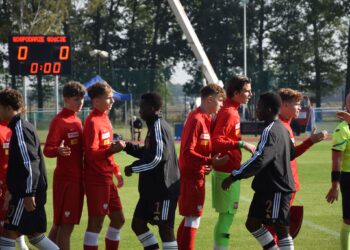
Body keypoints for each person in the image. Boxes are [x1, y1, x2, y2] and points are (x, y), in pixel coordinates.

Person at [222, 92, 296, 250]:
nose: (256, 110)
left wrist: (234, 176)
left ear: (269, 109)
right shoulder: (281, 128)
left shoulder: (271, 130)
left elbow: (259, 159)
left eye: (259, 107)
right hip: (266, 188)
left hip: (277, 188)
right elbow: (292, 152)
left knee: (280, 228)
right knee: (252, 223)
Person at [0, 88, 59, 249]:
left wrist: (29, 193)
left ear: (8, 108)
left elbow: (30, 162)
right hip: (27, 192)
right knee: (34, 236)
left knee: (8, 234)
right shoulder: (23, 126)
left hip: (25, 194)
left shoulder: (20, 128)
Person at [121, 92, 180, 250]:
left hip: (164, 190)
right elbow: (148, 152)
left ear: (153, 108)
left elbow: (158, 158)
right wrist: (127, 147)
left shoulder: (159, 126)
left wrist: (133, 167)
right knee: (138, 225)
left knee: (165, 229)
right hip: (150, 191)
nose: (139, 111)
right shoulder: (153, 126)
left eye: (142, 107)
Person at [177, 84, 229, 250]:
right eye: (220, 101)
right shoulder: (196, 119)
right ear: (209, 99)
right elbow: (187, 153)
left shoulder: (205, 118)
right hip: (190, 178)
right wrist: (210, 161)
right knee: (193, 219)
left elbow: (199, 152)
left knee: (189, 218)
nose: (221, 105)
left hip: (196, 176)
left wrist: (207, 164)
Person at [211, 75, 256, 250]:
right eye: (246, 91)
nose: (250, 94)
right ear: (235, 92)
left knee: (226, 217)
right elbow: (216, 141)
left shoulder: (231, 109)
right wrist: (241, 144)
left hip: (228, 169)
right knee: (227, 217)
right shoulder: (229, 112)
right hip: (226, 171)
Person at [275, 88, 327, 238]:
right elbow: (289, 156)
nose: (300, 107)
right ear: (284, 105)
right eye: (296, 104)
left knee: (280, 227)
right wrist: (310, 141)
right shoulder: (280, 127)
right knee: (278, 227)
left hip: (288, 184)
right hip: (283, 185)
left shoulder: (286, 125)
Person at [43, 81, 86, 250]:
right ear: (66, 99)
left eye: (82, 99)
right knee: (65, 226)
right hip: (67, 180)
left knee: (59, 225)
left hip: (76, 178)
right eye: (76, 99)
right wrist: (58, 151)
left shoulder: (76, 120)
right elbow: (47, 150)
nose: (80, 102)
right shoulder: (59, 121)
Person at [83, 82, 125, 250]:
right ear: (96, 101)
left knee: (118, 219)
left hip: (107, 178)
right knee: (96, 222)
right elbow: (91, 154)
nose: (112, 101)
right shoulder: (92, 121)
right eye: (108, 98)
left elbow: (107, 148)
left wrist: (116, 171)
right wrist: (111, 150)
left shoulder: (105, 118)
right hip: (96, 179)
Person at [326, 93, 350, 250]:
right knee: (348, 220)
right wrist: (335, 185)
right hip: (348, 177)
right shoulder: (342, 129)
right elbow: (337, 160)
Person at [0, 120, 28, 250]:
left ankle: (22, 245)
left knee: (12, 221)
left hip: (13, 185)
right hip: (4, 184)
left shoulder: (17, 129)